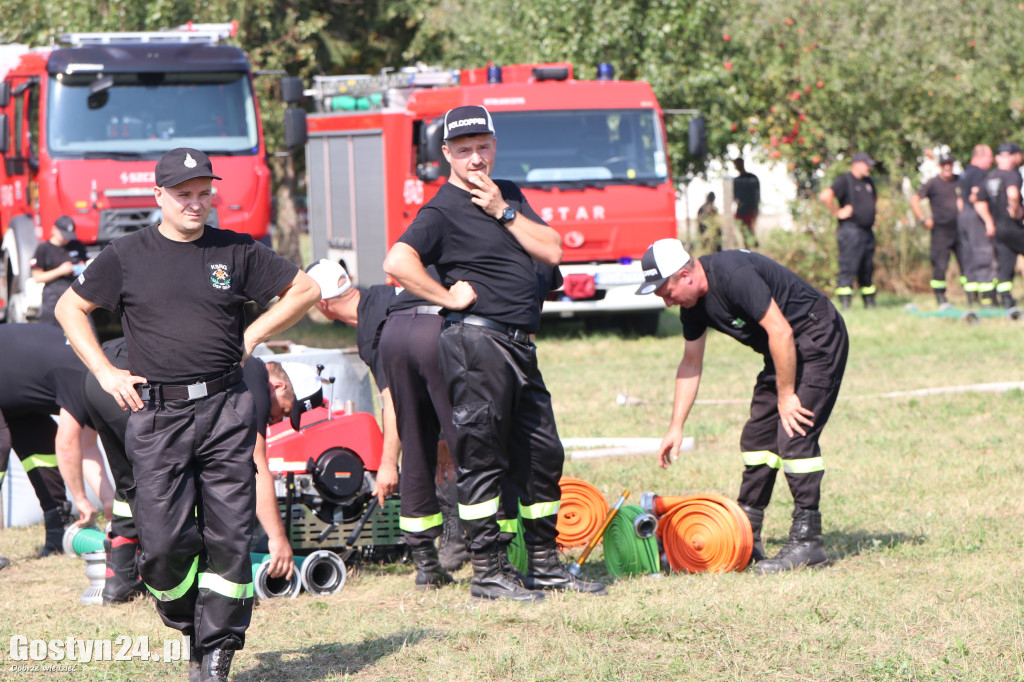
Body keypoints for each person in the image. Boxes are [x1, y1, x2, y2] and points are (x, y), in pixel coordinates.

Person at [55, 147, 319, 682]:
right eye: (184, 195)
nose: (196, 204)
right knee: (165, 543)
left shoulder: (236, 250)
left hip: (226, 410)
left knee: (228, 535)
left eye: (203, 193)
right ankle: (185, 618)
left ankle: (218, 648)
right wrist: (106, 372)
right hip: (157, 417)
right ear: (159, 197)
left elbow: (306, 289)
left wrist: (253, 333)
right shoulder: (127, 254)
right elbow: (69, 307)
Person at [383, 105, 605, 601]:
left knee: (542, 453)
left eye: (483, 147)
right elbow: (396, 259)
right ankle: (488, 571)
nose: (476, 158)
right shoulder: (440, 209)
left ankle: (545, 564)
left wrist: (502, 211)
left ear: (495, 145)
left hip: (519, 345)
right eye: (464, 151)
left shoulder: (510, 196)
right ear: (447, 155)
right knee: (481, 459)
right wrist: (445, 298)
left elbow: (552, 250)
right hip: (476, 343)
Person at [639, 238, 848, 574]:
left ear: (685, 275)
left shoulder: (734, 274)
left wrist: (786, 395)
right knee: (758, 439)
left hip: (817, 336)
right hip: (782, 347)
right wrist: (675, 426)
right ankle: (747, 533)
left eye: (666, 292)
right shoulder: (692, 305)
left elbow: (780, 330)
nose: (666, 302)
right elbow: (691, 363)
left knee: (794, 432)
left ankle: (809, 542)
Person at [82, 337, 299, 606]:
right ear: (279, 386)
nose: (277, 420)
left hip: (101, 378)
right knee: (186, 488)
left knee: (131, 484)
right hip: (138, 384)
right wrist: (278, 539)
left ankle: (119, 582)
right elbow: (255, 463)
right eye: (284, 411)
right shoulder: (253, 372)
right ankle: (193, 588)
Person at [306, 260, 470, 589]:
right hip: (460, 358)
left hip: (447, 366)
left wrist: (387, 464)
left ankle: (452, 542)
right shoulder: (381, 295)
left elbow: (394, 400)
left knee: (420, 450)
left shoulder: (372, 329)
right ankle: (462, 538)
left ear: (322, 306)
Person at [0, 324, 113, 557]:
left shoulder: (98, 378)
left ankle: (57, 532)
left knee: (41, 447)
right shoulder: (83, 377)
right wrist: (82, 500)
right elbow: (68, 446)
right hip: (12, 375)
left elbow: (87, 446)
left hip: (17, 388)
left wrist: (110, 506)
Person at [819, 151, 879, 309]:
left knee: (867, 268)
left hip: (867, 232)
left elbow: (873, 201)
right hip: (850, 231)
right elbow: (825, 196)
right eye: (867, 165)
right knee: (849, 266)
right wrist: (837, 212)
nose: (869, 168)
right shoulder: (845, 180)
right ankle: (846, 304)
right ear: (856, 164)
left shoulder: (869, 182)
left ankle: (870, 303)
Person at [911, 154, 964, 306]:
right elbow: (914, 199)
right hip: (941, 230)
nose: (947, 167)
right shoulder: (933, 183)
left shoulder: (960, 180)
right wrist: (923, 219)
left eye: (950, 163)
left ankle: (971, 296)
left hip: (960, 229)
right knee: (940, 265)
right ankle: (940, 297)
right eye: (944, 164)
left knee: (966, 264)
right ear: (940, 166)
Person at [978, 143, 1024, 308]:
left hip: (998, 228)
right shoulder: (1011, 174)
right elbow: (1012, 194)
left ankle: (1006, 299)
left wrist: (989, 223)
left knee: (1005, 262)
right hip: (1012, 226)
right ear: (1011, 156)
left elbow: (978, 200)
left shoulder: (990, 177)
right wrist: (1015, 210)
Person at [29, 215, 87, 327]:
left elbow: (86, 264)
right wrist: (60, 271)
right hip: (53, 296)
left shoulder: (77, 245)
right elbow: (37, 277)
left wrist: (81, 268)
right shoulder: (44, 248)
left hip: (75, 291)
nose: (67, 239)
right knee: (50, 330)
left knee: (82, 325)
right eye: (64, 235)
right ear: (54, 230)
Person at [957, 144, 996, 307]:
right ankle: (987, 298)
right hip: (975, 215)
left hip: (963, 215)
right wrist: (988, 221)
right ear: (980, 156)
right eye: (990, 156)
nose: (992, 160)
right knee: (983, 254)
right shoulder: (979, 174)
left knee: (968, 256)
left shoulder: (965, 173)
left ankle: (971, 297)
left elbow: (960, 199)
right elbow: (976, 198)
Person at [732, 158, 760, 248]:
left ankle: (752, 246)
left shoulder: (752, 178)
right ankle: (748, 247)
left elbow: (757, 195)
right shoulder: (736, 180)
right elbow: (734, 197)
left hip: (750, 209)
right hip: (741, 211)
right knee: (743, 231)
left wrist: (756, 209)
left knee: (749, 230)